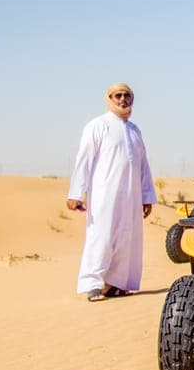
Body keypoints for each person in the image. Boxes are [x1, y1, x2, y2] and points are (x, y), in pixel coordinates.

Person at [67, 83, 156, 302]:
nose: (122, 100)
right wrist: (76, 193)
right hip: (104, 195)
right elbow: (84, 160)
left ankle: (116, 284)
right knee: (102, 236)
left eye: (127, 95)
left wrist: (147, 196)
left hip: (131, 195)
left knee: (127, 238)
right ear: (109, 98)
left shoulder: (135, 131)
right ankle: (93, 285)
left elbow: (143, 165)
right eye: (118, 95)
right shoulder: (97, 126)